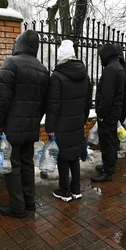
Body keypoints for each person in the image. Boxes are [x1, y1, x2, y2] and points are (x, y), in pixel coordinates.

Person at [0, 30, 50, 217]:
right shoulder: (43, 69)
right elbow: (44, 102)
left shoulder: (11, 63)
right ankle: (29, 202)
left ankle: (17, 207)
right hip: (30, 127)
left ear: (19, 44)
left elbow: (1, 99)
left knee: (13, 166)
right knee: (27, 164)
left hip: (11, 128)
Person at [45, 40, 92, 202]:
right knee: (74, 156)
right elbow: (87, 102)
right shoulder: (85, 75)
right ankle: (76, 189)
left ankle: (64, 191)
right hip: (78, 123)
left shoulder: (57, 77)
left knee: (63, 157)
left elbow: (53, 104)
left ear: (61, 58)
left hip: (61, 124)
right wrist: (83, 119)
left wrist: (50, 126)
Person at [91, 44, 125, 182]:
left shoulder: (110, 70)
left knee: (106, 141)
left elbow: (106, 95)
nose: (99, 59)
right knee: (111, 139)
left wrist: (101, 113)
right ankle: (109, 164)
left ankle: (108, 171)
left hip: (108, 114)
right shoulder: (119, 67)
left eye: (100, 56)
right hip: (114, 111)